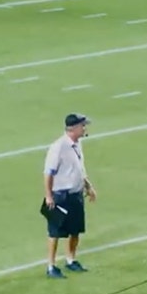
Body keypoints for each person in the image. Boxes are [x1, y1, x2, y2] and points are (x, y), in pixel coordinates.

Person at [43, 113, 97, 279]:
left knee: (75, 230)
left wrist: (88, 186)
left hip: (75, 194)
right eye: (82, 125)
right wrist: (49, 196)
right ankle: (51, 266)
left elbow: (79, 168)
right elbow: (48, 173)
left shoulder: (77, 144)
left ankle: (70, 260)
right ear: (73, 128)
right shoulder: (58, 147)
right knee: (55, 232)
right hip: (60, 195)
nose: (85, 128)